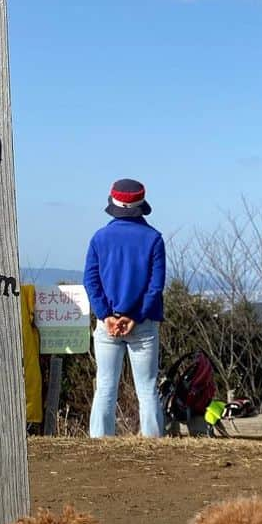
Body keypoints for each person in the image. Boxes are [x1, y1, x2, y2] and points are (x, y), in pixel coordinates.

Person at [83, 179, 166, 438]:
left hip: (107, 324)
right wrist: (135, 316)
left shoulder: (100, 238)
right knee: (147, 388)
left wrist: (105, 315)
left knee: (106, 386)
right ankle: (153, 442)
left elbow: (91, 280)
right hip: (142, 324)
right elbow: (155, 286)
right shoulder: (154, 239)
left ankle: (99, 441)